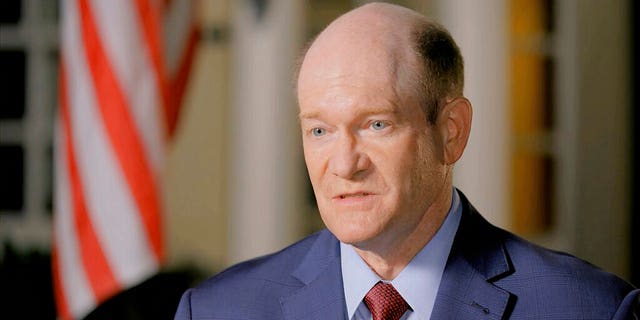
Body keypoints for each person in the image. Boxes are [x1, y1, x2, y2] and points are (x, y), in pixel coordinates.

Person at [175, 2, 638, 319]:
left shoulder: (586, 308)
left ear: (451, 132)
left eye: (376, 125)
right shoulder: (219, 310)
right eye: (320, 130)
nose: (344, 163)